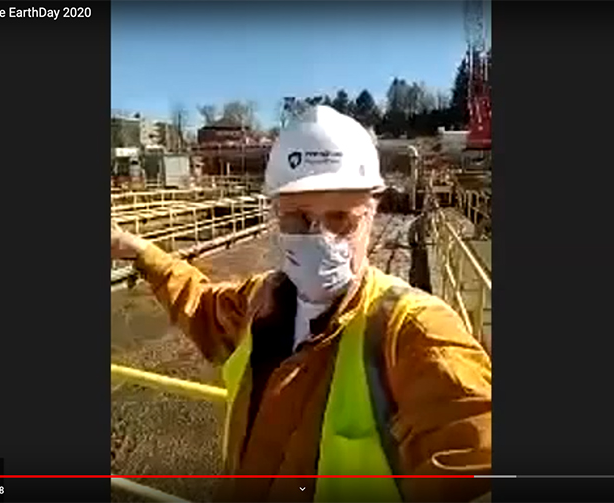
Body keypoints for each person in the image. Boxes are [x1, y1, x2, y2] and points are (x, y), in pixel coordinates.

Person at [111, 106, 492, 502]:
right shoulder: (261, 300)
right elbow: (200, 303)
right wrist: (136, 249)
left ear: (373, 213)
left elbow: (474, 450)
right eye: (299, 218)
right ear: (276, 216)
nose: (320, 238)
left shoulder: (413, 332)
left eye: (340, 218)